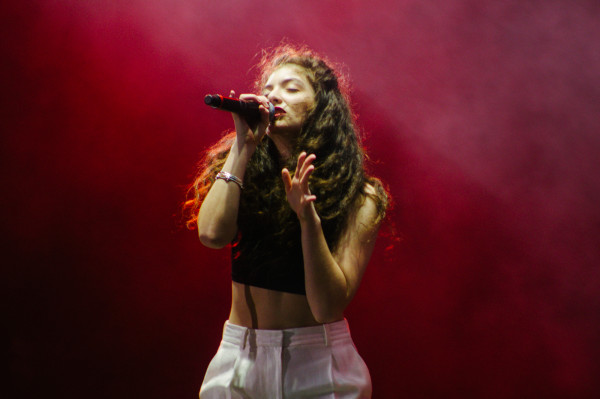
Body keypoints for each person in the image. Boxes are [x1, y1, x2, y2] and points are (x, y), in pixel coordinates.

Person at [184, 44, 389, 399]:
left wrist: (308, 219)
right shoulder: (242, 167)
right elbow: (212, 234)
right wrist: (242, 148)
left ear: (321, 106)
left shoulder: (360, 194)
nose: (273, 96)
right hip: (239, 357)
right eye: (267, 89)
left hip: (317, 365)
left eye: (291, 88)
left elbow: (328, 306)